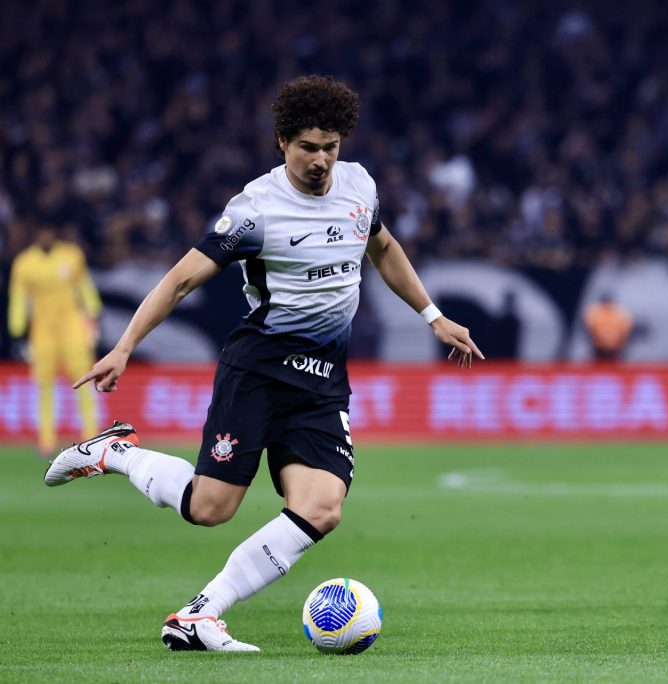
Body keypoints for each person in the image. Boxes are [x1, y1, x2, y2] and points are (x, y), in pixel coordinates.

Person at [43, 75, 484, 651]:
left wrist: (433, 315)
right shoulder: (256, 209)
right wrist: (124, 345)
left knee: (322, 509)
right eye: (308, 147)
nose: (321, 160)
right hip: (259, 371)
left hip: (323, 380)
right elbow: (180, 281)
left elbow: (382, 247)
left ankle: (198, 616)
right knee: (209, 508)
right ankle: (114, 452)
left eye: (330, 146)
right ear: (282, 142)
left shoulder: (359, 186)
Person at [8, 223, 101, 455]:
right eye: (42, 233)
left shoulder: (71, 256)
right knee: (44, 385)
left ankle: (90, 435)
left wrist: (92, 310)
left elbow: (83, 285)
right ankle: (46, 440)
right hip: (43, 329)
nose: (46, 236)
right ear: (36, 235)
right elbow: (19, 295)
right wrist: (17, 325)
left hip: (72, 325)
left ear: (54, 233)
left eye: (50, 232)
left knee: (83, 379)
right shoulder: (25, 263)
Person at [584, 294, 633, 361]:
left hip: (617, 349)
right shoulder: (594, 313)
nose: (607, 305)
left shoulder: (621, 314)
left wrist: (619, 343)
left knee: (617, 367)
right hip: (599, 349)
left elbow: (626, 331)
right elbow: (590, 330)